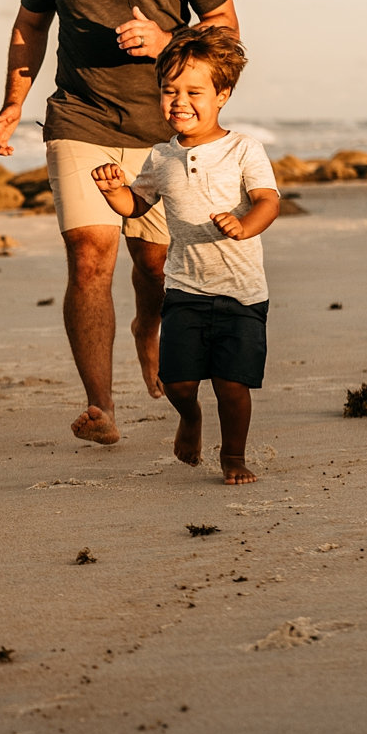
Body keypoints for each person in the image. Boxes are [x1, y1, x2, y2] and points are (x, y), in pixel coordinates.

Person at [0, 0, 239, 446]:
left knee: (154, 267)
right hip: (79, 115)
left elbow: (228, 32)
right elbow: (29, 27)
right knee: (89, 255)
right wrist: (14, 103)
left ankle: (146, 329)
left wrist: (167, 39)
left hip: (163, 128)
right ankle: (100, 406)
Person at [90, 26, 277, 484]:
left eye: (194, 91)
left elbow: (269, 201)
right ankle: (190, 418)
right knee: (176, 382)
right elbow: (137, 204)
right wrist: (114, 190)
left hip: (241, 293)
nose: (179, 101)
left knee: (232, 386)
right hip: (184, 288)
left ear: (223, 94)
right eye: (169, 90)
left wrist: (244, 224)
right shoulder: (161, 156)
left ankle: (233, 456)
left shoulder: (243, 149)